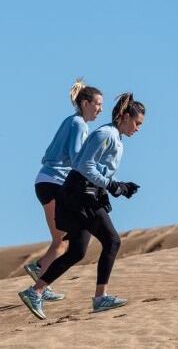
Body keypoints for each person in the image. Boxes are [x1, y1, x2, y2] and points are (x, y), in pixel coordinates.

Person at [19, 93, 145, 319]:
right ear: (125, 116)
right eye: (137, 123)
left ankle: (35, 291)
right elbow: (83, 165)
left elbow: (97, 169)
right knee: (112, 241)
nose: (138, 128)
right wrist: (113, 185)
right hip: (80, 194)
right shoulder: (106, 133)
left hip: (85, 193)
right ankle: (100, 298)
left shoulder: (115, 137)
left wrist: (119, 187)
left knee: (77, 251)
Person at [24, 79, 103, 302]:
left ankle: (40, 275)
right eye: (97, 104)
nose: (100, 109)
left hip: (50, 182)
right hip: (53, 183)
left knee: (62, 240)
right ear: (85, 103)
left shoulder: (74, 121)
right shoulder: (78, 123)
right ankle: (39, 274)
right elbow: (78, 158)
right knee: (66, 241)